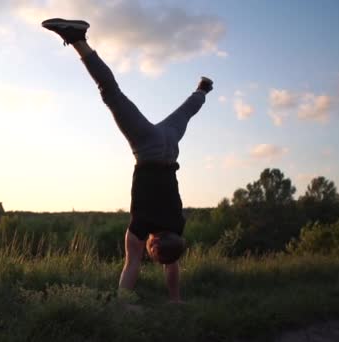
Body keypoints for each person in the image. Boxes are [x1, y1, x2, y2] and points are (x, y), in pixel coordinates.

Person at [42, 18, 213, 303]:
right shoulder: (140, 228)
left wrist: (176, 299)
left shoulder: (176, 227)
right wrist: (122, 304)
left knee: (185, 114)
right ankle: (77, 39)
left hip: (170, 147)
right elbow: (131, 264)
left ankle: (202, 90)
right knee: (111, 93)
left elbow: (172, 262)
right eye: (152, 251)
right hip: (147, 148)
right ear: (154, 242)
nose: (147, 251)